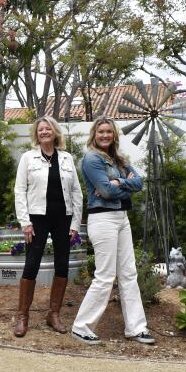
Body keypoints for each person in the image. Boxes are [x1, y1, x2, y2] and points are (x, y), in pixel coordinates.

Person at [71, 117, 154, 345]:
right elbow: (105, 193)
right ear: (94, 135)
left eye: (109, 131)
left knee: (128, 274)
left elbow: (139, 183)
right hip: (103, 219)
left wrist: (117, 183)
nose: (105, 135)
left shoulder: (119, 159)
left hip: (122, 219)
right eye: (101, 132)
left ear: (114, 135)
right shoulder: (91, 158)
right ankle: (81, 326)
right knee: (105, 276)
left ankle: (136, 328)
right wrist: (120, 184)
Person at [13, 116, 83, 337]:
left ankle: (53, 314)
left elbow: (76, 192)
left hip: (63, 218)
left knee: (62, 265)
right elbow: (19, 191)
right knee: (31, 264)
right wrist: (25, 222)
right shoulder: (28, 158)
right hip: (37, 218)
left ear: (55, 132)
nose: (44, 132)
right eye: (41, 129)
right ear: (37, 134)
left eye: (48, 128)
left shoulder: (66, 158)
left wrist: (75, 223)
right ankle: (22, 316)